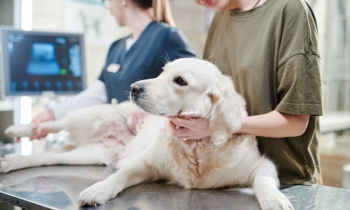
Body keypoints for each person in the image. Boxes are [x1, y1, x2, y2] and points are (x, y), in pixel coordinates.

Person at [168, 0, 323, 185]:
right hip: (227, 180)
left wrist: (221, 125)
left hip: (287, 184)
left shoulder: (290, 10)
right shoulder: (220, 17)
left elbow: (296, 122)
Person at [30, 0, 196, 139]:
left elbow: (195, 89)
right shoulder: (116, 47)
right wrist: (53, 113)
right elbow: (97, 94)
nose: (108, 8)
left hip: (149, 142)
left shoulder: (168, 37)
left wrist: (152, 113)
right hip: (116, 140)